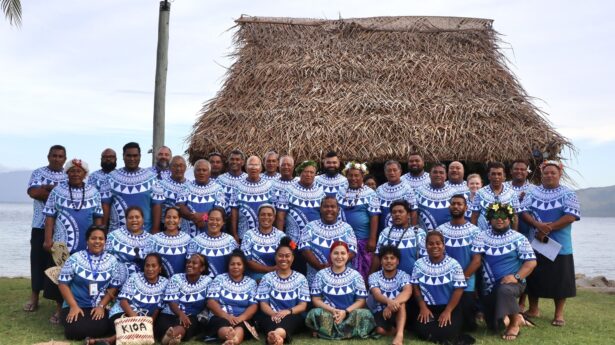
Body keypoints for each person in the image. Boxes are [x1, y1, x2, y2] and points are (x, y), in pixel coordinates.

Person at [43, 159, 104, 324]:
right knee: (60, 276)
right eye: (72, 171)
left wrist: (100, 239)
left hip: (87, 244)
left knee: (81, 277)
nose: (75, 174)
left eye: (79, 171)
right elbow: (49, 216)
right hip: (62, 245)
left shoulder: (93, 192)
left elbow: (98, 218)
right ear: (67, 173)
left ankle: (80, 306)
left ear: (85, 174)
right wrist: (47, 240)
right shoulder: (57, 191)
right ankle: (59, 308)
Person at [521, 160, 580, 327]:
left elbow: (571, 216)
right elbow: (523, 211)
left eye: (553, 172)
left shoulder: (568, 194)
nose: (549, 175)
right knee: (534, 276)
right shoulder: (533, 192)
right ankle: (533, 309)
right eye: (546, 173)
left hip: (559, 244)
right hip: (536, 241)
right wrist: (538, 226)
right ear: (541, 174)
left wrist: (548, 228)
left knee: (560, 279)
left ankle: (559, 314)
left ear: (559, 174)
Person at [467, 202, 536, 340]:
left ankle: (514, 324)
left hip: (512, 283)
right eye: (496, 216)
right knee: (494, 327)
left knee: (504, 290)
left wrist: (516, 277)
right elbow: (476, 261)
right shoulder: (481, 237)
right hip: (488, 288)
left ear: (510, 219)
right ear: (490, 219)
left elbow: (531, 262)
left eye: (504, 216)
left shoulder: (519, 238)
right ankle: (519, 318)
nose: (500, 219)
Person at [58, 225, 127, 340]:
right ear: (87, 240)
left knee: (104, 326)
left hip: (97, 306)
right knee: (74, 330)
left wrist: (101, 306)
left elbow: (114, 286)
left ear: (105, 241)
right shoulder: (75, 258)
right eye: (93, 238)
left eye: (101, 239)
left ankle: (93, 338)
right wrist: (73, 306)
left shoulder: (112, 261)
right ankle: (89, 335)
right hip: (76, 304)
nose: (97, 242)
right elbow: (63, 283)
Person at [86, 253, 169, 345]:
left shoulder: (165, 284)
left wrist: (149, 324)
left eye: (154, 266)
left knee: (139, 331)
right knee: (135, 328)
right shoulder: (135, 277)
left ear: (160, 268)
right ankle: (110, 340)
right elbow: (123, 301)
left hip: (143, 321)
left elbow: (158, 308)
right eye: (147, 265)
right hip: (122, 313)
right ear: (144, 267)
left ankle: (107, 341)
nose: (150, 269)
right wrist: (135, 318)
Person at [25, 145, 67, 315]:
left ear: (65, 158)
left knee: (58, 264)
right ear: (48, 156)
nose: (57, 158)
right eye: (54, 155)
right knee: (37, 261)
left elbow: (71, 195)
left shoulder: (69, 174)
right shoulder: (38, 172)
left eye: (60, 156)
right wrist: (56, 192)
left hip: (62, 228)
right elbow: (34, 192)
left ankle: (59, 302)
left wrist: (48, 189)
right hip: (39, 225)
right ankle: (34, 297)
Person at [306, 241, 375, 339]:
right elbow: (316, 299)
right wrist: (332, 310)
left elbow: (361, 301)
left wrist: (345, 312)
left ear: (347, 255)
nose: (339, 257)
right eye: (336, 253)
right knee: (314, 313)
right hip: (330, 314)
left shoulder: (356, 275)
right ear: (330, 255)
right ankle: (349, 333)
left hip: (349, 315)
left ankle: (326, 333)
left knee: (365, 314)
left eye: (343, 253)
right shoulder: (321, 274)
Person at [411, 231, 468, 344]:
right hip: (428, 308)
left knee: (447, 334)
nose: (435, 246)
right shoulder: (419, 264)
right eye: (431, 244)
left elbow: (459, 289)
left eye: (438, 243)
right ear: (426, 246)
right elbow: (415, 287)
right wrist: (423, 307)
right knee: (423, 332)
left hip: (449, 308)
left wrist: (448, 311)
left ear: (443, 245)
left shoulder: (454, 264)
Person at [436, 194, 481, 331]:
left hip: (467, 282)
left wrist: (461, 278)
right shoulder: (440, 230)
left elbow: (477, 260)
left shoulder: (475, 231)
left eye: (459, 204)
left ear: (466, 207)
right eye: (453, 203)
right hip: (445, 281)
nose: (456, 206)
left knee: (468, 326)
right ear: (449, 206)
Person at [256, 237, 310, 345]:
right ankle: (277, 338)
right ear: (275, 258)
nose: (284, 259)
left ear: (293, 258)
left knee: (288, 321)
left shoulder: (301, 278)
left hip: (292, 315)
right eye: (280, 255)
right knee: (269, 321)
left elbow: (302, 305)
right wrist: (274, 314)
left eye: (287, 256)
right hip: (271, 315)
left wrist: (287, 311)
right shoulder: (267, 278)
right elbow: (263, 304)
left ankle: (273, 337)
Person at [101, 142, 164, 233]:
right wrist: (103, 228)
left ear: (140, 156)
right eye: (128, 155)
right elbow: (105, 205)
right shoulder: (111, 178)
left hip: (145, 233)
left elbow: (157, 205)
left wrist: (155, 229)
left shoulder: (151, 178)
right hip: (117, 233)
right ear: (123, 156)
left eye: (135, 155)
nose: (132, 159)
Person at [336, 161, 380, 280]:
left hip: (363, 240)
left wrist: (372, 239)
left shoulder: (370, 193)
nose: (353, 178)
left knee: (364, 271)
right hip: (343, 239)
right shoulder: (341, 192)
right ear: (346, 176)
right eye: (350, 175)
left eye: (357, 175)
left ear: (362, 176)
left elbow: (374, 217)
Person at [299, 196, 357, 284]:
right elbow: (305, 250)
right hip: (315, 278)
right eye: (326, 206)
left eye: (333, 207)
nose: (329, 209)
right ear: (320, 209)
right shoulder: (310, 227)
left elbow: (352, 251)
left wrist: (335, 266)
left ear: (338, 210)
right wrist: (319, 267)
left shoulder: (347, 228)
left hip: (341, 279)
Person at [157, 254, 212, 344]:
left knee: (185, 325)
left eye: (194, 263)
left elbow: (210, 301)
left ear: (202, 268)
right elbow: (171, 301)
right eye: (188, 262)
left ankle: (170, 338)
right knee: (165, 325)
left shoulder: (208, 281)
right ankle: (169, 339)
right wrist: (181, 314)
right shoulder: (176, 278)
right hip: (169, 314)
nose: (189, 265)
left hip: (191, 317)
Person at [206, 250, 258, 345]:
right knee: (221, 324)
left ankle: (233, 341)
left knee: (241, 326)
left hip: (242, 318)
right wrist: (227, 316)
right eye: (232, 264)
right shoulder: (219, 279)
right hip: (221, 316)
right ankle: (229, 335)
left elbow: (253, 306)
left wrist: (241, 318)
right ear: (228, 266)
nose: (235, 267)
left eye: (239, 264)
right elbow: (211, 302)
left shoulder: (251, 283)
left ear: (244, 267)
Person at [368, 245, 412, 345]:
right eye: (385, 258)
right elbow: (376, 295)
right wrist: (389, 302)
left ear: (398, 261)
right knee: (379, 330)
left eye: (392, 258)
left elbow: (407, 292)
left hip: (399, 310)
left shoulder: (404, 275)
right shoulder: (374, 276)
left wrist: (392, 304)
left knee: (402, 303)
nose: (389, 261)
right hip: (381, 312)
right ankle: (395, 330)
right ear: (381, 261)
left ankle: (399, 335)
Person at [276, 160, 326, 244]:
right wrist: (281, 238)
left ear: (315, 174)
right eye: (306, 172)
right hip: (293, 240)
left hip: (314, 240)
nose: (309, 175)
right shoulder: (288, 190)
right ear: (300, 173)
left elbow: (324, 216)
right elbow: (280, 216)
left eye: (311, 172)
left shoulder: (321, 193)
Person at [372, 200, 425, 276]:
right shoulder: (385, 233)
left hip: (413, 279)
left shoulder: (419, 233)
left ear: (408, 215)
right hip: (389, 282)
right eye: (394, 212)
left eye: (400, 212)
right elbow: (377, 257)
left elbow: (425, 259)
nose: (397, 214)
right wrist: (371, 275)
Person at [230, 155, 276, 241]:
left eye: (256, 165)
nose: (253, 167)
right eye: (251, 165)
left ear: (261, 168)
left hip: (264, 234)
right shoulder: (237, 186)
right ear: (246, 168)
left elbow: (273, 212)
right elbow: (234, 212)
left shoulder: (269, 186)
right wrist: (234, 234)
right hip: (243, 234)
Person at [177, 159, 226, 237]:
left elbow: (219, 209)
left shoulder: (218, 189)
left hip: (210, 235)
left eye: (204, 170)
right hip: (187, 235)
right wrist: (194, 217)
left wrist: (204, 217)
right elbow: (180, 206)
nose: (201, 172)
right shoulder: (185, 187)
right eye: (198, 170)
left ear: (209, 173)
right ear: (194, 172)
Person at [187, 207, 239, 277]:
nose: (214, 222)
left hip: (223, 284)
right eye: (211, 219)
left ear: (223, 222)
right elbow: (190, 267)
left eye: (218, 220)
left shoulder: (230, 240)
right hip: (203, 284)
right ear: (207, 220)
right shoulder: (195, 241)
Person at [470, 162, 520, 232]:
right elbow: (474, 216)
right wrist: (474, 234)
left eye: (499, 174)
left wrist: (514, 234)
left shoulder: (512, 193)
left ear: (504, 176)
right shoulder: (480, 193)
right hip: (483, 234)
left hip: (505, 235)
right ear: (489, 176)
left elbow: (515, 216)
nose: (496, 177)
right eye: (493, 174)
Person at [241, 204, 285, 280]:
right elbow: (247, 261)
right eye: (263, 215)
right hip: (253, 277)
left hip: (276, 277)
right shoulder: (249, 235)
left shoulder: (281, 235)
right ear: (258, 217)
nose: (266, 217)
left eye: (269, 215)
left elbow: (293, 250)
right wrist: (270, 269)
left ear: (274, 217)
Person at [105, 206, 152, 275]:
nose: (134, 220)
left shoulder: (152, 240)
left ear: (142, 220)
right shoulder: (113, 237)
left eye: (137, 217)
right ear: (126, 220)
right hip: (117, 279)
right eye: (131, 217)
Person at [148, 207, 192, 276]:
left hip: (180, 282)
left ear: (179, 220)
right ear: (164, 219)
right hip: (160, 282)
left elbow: (190, 263)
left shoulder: (187, 239)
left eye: (174, 217)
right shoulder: (154, 239)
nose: (171, 220)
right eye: (168, 217)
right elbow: (148, 263)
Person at [376, 160, 418, 231]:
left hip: (404, 232)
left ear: (400, 171)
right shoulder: (379, 190)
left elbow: (413, 211)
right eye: (389, 170)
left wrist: (413, 231)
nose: (392, 173)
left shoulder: (407, 189)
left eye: (395, 170)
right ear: (385, 173)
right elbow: (376, 214)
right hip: (384, 232)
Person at [415, 163, 455, 231]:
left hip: (448, 234)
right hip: (424, 235)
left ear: (446, 176)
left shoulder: (454, 193)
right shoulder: (419, 192)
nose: (438, 175)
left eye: (441, 173)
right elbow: (413, 213)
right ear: (430, 175)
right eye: (435, 172)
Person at [159, 156, 190, 233]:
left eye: (181, 166)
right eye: (175, 166)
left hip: (187, 231)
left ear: (185, 167)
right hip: (165, 228)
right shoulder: (160, 185)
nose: (178, 169)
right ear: (169, 167)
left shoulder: (191, 186)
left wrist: (204, 218)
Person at [505, 160, 535, 239]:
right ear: (511, 171)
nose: (519, 171)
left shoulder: (534, 189)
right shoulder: (503, 187)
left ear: (527, 172)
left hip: (528, 230)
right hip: (505, 229)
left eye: (522, 169)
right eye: (516, 169)